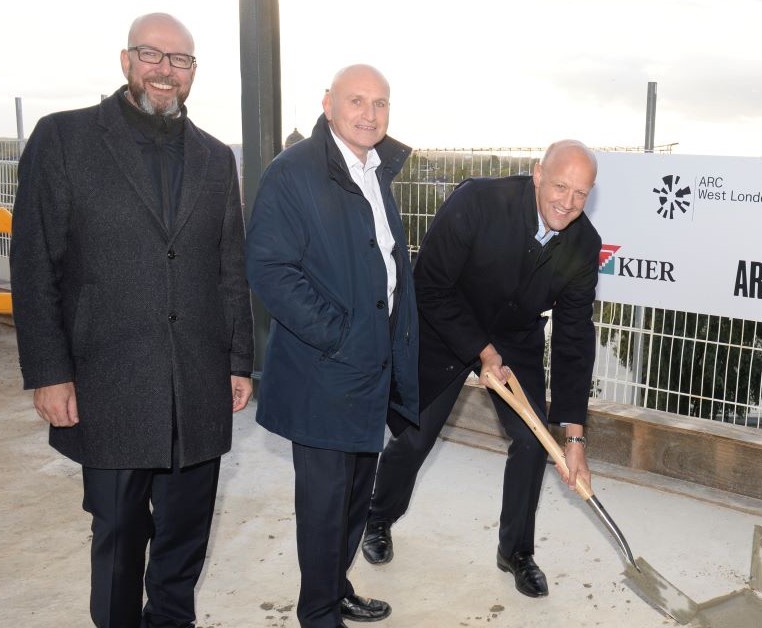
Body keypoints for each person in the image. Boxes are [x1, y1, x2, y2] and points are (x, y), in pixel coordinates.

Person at [9, 13, 253, 627]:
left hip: (195, 381)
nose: (165, 71)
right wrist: (48, 371)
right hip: (107, 380)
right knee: (118, 533)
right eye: (152, 55)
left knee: (185, 531)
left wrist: (238, 361)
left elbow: (230, 266)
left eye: (181, 61)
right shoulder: (65, 139)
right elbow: (36, 262)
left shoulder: (215, 159)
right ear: (126, 61)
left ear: (193, 74)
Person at [361, 140, 600, 599]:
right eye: (560, 186)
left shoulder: (583, 243)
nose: (568, 203)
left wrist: (574, 438)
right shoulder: (478, 201)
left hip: (516, 338)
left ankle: (516, 552)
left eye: (581, 194)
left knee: (532, 440)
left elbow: (574, 340)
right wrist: (481, 350)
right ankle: (378, 516)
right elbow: (428, 285)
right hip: (446, 322)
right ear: (537, 174)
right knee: (415, 436)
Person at [245, 64, 417, 627]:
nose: (370, 114)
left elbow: (384, 264)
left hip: (370, 369)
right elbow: (271, 270)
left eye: (381, 103)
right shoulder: (293, 173)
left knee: (352, 499)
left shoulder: (375, 170)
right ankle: (317, 614)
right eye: (357, 101)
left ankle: (335, 587)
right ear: (327, 103)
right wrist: (339, 335)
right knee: (321, 507)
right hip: (326, 371)